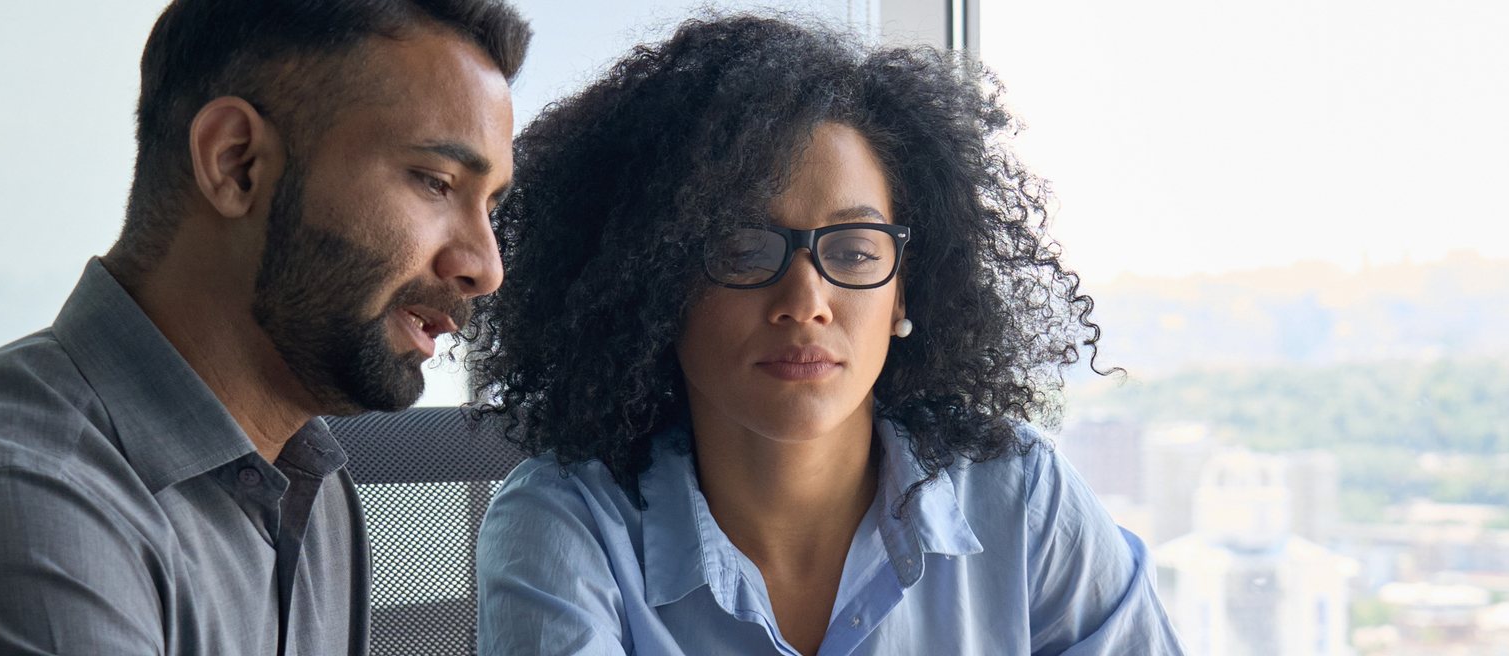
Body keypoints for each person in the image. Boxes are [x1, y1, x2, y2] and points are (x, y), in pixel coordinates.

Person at [0, 1, 526, 654]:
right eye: (435, 181)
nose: (484, 265)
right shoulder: (15, 519)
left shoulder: (311, 494)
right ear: (236, 163)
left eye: (489, 207)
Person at [465, 15, 1180, 656]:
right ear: (653, 286)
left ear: (908, 289)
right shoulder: (563, 526)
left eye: (855, 250)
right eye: (744, 248)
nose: (806, 301)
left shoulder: (1022, 497)